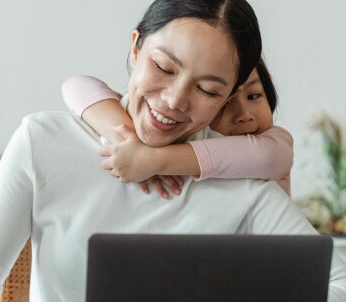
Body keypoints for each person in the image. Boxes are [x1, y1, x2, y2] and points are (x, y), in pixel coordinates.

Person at [0, 0, 346, 302]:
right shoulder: (45, 142)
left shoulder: (242, 181)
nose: (174, 100)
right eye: (162, 67)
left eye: (207, 89)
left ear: (227, 100)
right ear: (134, 49)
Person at [61, 58, 293, 198]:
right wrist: (128, 140)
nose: (244, 115)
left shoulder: (274, 142)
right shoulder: (185, 135)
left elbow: (267, 157)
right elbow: (76, 85)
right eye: (225, 104)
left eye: (254, 96)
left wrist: (153, 159)